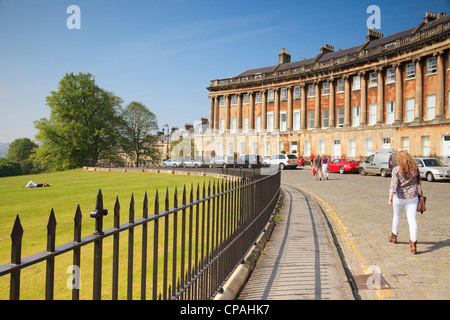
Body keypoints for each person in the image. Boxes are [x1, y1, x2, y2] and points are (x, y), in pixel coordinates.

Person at [388, 151, 421, 254]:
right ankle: (413, 244)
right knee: (412, 220)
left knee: (396, 216)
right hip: (412, 197)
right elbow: (418, 182)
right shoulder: (415, 169)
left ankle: (394, 236)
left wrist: (390, 196)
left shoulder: (396, 170)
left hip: (399, 197)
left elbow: (394, 184)